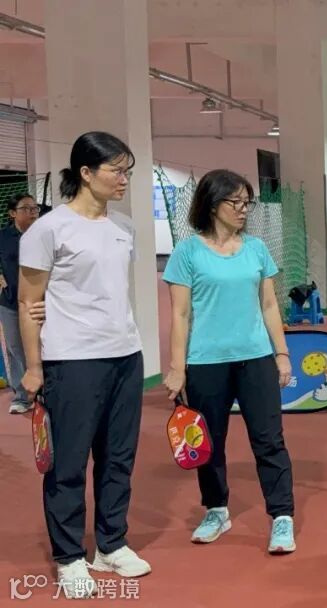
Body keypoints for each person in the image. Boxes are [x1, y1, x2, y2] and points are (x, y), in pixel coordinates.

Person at [19, 131, 150, 599]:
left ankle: (111, 544)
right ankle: (70, 557)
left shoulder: (125, 226)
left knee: (118, 458)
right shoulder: (48, 230)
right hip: (71, 361)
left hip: (126, 356)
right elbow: (29, 300)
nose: (124, 179)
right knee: (68, 464)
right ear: (86, 173)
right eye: (116, 170)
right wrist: (34, 366)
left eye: (127, 170)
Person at [162, 169, 296, 554]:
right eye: (234, 202)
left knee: (269, 439)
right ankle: (216, 509)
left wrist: (282, 353)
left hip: (256, 358)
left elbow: (269, 305)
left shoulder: (256, 249)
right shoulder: (188, 252)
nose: (242, 209)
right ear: (211, 204)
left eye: (246, 202)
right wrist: (177, 367)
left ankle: (282, 515)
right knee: (210, 441)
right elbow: (180, 315)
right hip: (206, 362)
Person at [0, 193, 39, 414]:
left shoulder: (44, 234)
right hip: (10, 303)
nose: (32, 212)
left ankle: (45, 391)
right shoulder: (3, 237)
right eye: (26, 208)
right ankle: (23, 396)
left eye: (34, 208)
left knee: (43, 346)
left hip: (40, 302)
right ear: (12, 213)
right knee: (16, 348)